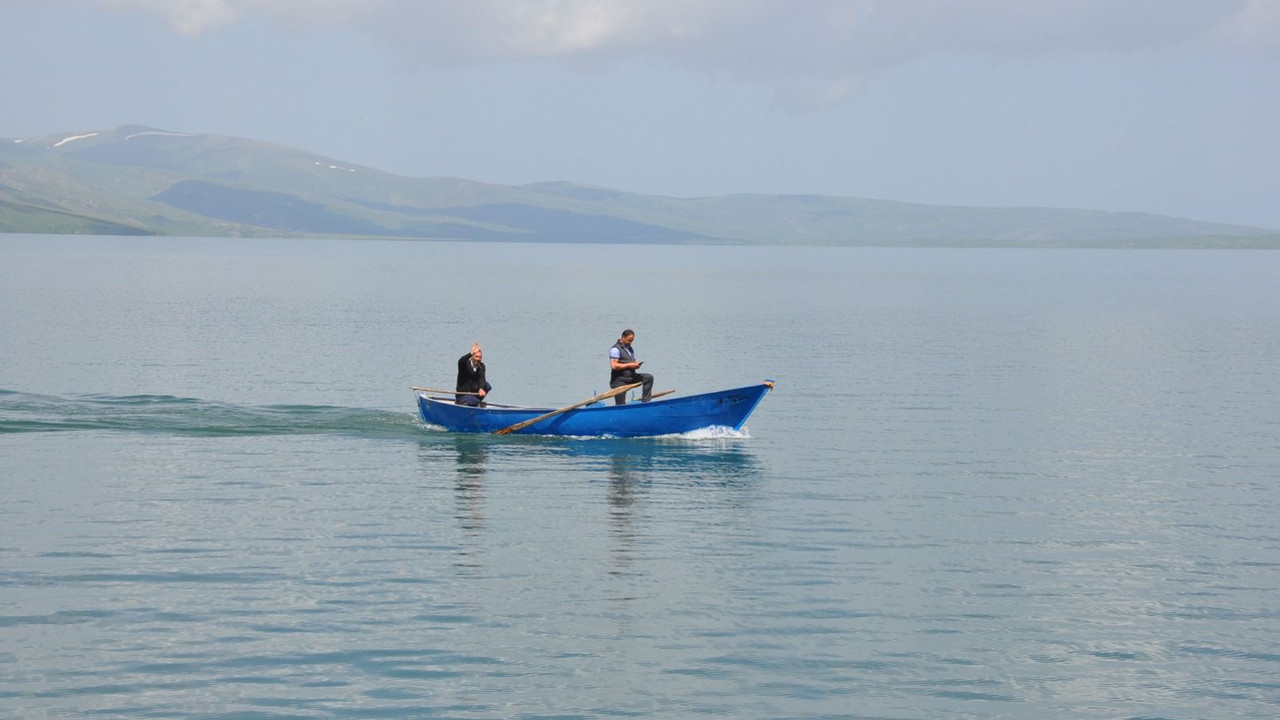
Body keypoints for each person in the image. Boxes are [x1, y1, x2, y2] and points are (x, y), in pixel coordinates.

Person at [608, 329, 654, 404]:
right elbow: (614, 366)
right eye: (629, 340)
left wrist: (635, 365)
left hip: (631, 377)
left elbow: (629, 362)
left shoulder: (629, 348)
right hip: (619, 381)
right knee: (620, 405)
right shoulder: (615, 349)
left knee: (648, 377)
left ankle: (645, 402)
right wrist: (630, 365)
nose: (631, 342)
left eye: (632, 340)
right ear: (623, 337)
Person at [456, 342, 492, 406]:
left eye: (480, 357)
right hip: (463, 394)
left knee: (487, 385)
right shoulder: (464, 365)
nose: (478, 359)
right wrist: (470, 353)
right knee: (468, 401)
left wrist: (481, 388)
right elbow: (461, 361)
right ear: (472, 356)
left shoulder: (481, 366)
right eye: (476, 356)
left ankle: (476, 401)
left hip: (475, 394)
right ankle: (474, 402)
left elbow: (482, 378)